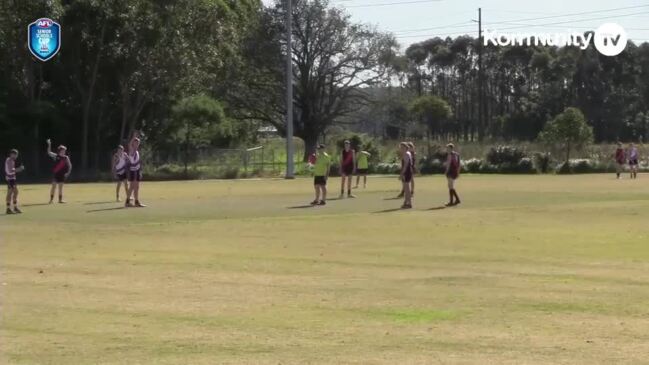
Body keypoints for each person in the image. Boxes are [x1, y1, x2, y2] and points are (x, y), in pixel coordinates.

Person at [47, 139, 72, 204]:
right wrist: (49, 144)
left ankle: (60, 200)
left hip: (62, 174)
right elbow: (49, 152)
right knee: (53, 187)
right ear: (60, 150)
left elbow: (70, 165)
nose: (64, 151)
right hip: (55, 174)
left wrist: (68, 173)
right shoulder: (56, 156)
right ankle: (51, 200)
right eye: (63, 150)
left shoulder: (66, 157)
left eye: (65, 150)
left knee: (60, 188)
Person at [125, 134, 145, 207]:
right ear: (133, 144)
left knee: (137, 187)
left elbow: (138, 162)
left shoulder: (137, 152)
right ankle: (127, 202)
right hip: (133, 171)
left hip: (137, 171)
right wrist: (133, 138)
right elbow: (129, 144)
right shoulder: (132, 150)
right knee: (132, 186)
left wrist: (140, 171)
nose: (137, 144)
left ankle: (136, 202)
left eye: (138, 143)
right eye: (136, 143)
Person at [5, 149, 25, 214]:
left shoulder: (12, 161)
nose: (16, 156)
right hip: (10, 179)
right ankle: (9, 208)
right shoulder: (9, 160)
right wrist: (19, 169)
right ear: (11, 154)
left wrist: (18, 169)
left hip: (12, 179)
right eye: (15, 154)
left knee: (15, 192)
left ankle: (14, 207)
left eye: (17, 154)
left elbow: (12, 170)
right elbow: (10, 171)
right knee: (11, 193)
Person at [399, 142, 413, 209]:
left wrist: (402, 173)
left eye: (402, 147)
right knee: (406, 188)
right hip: (408, 172)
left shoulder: (406, 154)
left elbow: (406, 165)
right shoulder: (408, 153)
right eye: (400, 147)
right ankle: (406, 202)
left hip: (406, 172)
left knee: (407, 189)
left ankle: (409, 203)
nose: (401, 149)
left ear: (405, 147)